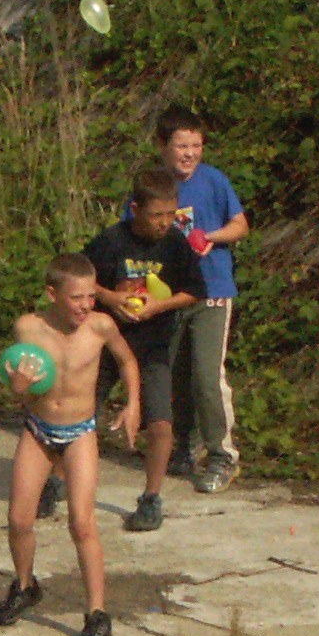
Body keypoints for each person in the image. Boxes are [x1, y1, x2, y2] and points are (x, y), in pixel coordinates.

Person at [0, 251, 136, 636]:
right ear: (52, 294)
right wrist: (18, 387)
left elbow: (127, 361)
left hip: (80, 432)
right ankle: (24, 585)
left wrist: (133, 404)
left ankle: (97, 612)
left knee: (81, 523)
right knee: (19, 519)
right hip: (38, 429)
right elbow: (18, 388)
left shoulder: (101, 326)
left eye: (91, 297)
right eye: (77, 298)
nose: (86, 305)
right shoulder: (28, 328)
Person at [85, 167, 206, 535]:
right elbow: (81, 279)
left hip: (153, 344)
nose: (164, 223)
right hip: (108, 342)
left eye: (171, 214)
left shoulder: (175, 244)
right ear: (135, 209)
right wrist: (110, 297)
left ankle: (151, 497)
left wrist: (158, 306)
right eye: (156, 215)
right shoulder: (111, 241)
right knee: (80, 415)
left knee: (161, 422)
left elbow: (194, 290)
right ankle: (57, 480)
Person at [155, 113, 250, 494]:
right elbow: (137, 230)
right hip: (171, 295)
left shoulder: (214, 180)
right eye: (182, 146)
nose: (189, 154)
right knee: (176, 375)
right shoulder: (154, 185)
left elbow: (240, 225)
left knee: (207, 377)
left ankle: (223, 455)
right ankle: (185, 445)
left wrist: (211, 236)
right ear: (163, 146)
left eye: (196, 146)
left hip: (213, 291)